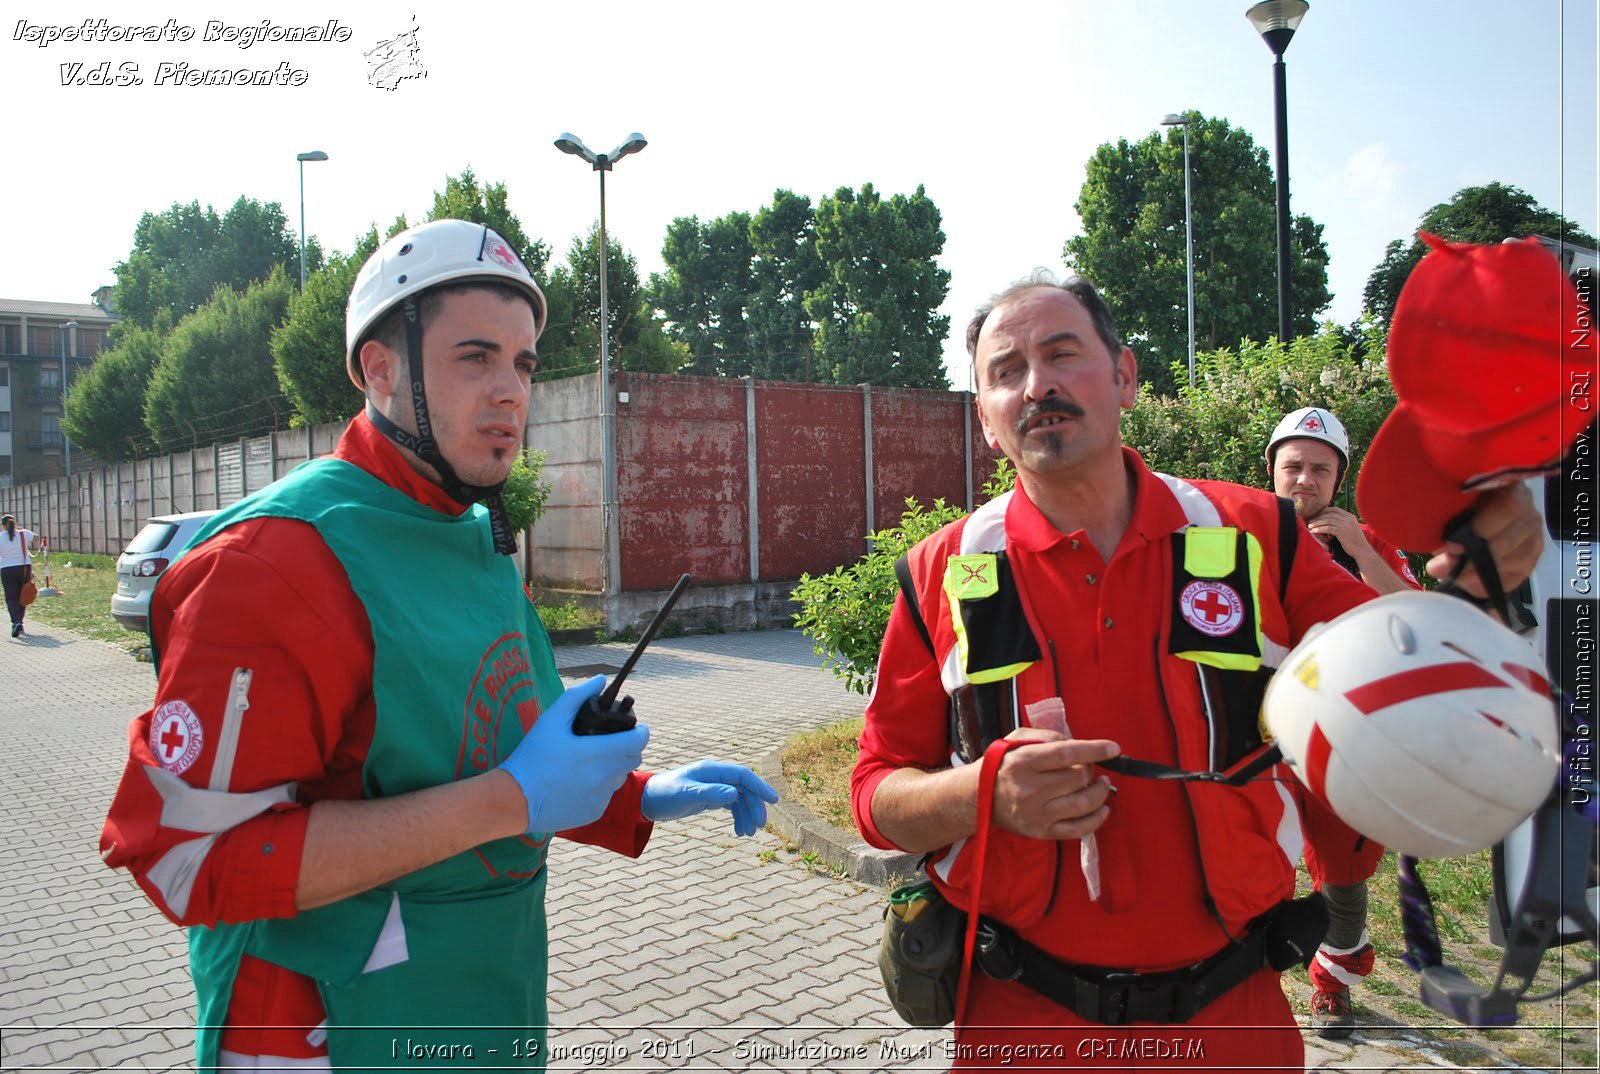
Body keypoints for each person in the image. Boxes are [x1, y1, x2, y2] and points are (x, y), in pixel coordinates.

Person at [100, 220, 777, 1072]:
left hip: (480, 1007)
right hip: (331, 1032)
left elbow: (496, 753)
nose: (512, 393)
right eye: (475, 357)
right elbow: (188, 860)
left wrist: (631, 795)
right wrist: (512, 798)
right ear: (379, 369)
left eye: (524, 363)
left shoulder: (465, 532)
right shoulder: (279, 561)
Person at [851, 273, 1544, 1071]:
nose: (1036, 383)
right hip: (1021, 1027)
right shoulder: (940, 572)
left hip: (1233, 1021)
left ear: (1125, 377)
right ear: (985, 417)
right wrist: (980, 796)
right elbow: (875, 797)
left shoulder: (1260, 537)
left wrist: (1480, 588)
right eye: (1005, 371)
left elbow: (1419, 682)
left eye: (1062, 354)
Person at [1264, 406, 1421, 1039]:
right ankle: (1246, 982)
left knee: (1345, 880)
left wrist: (1355, 546)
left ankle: (1334, 982)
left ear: (1339, 478)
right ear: (1271, 471)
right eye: (1292, 466)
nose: (1304, 480)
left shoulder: (1372, 541)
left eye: (1319, 470)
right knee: (1245, 861)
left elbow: (1420, 620)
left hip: (1349, 739)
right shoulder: (1237, 532)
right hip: (1259, 734)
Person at [1, 513, 37, 638]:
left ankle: (16, 622)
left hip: (7, 569)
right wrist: (22, 531)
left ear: (3, 525)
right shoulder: (23, 533)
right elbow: (36, 537)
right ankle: (20, 622)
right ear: (14, 523)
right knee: (23, 594)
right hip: (24, 567)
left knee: (11, 598)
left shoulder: (1, 537)